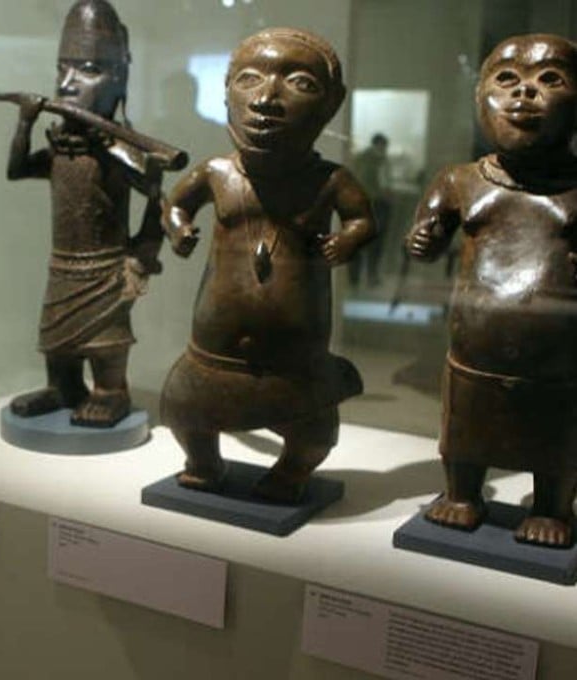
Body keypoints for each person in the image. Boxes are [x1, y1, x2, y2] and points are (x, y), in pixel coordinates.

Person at [160, 28, 375, 502]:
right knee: (185, 409)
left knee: (311, 432)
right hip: (213, 346)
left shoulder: (328, 180)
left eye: (299, 83)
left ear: (330, 104)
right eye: (249, 79)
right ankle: (203, 461)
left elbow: (363, 218)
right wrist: (178, 229)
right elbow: (175, 205)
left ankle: (291, 472)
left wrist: (349, 239)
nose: (266, 99)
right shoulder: (218, 172)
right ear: (227, 90)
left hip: (295, 355)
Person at [406, 33, 577, 547]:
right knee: (465, 434)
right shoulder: (461, 180)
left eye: (551, 80)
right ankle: (462, 493)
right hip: (472, 355)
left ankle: (551, 506)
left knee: (554, 438)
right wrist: (425, 237)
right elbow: (424, 247)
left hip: (558, 360)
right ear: (480, 95)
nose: (524, 94)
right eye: (508, 80)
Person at [0, 0, 168, 428]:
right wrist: (24, 124)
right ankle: (63, 387)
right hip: (63, 264)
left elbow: (158, 197)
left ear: (118, 77)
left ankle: (112, 390)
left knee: (106, 339)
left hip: (106, 266)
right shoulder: (61, 145)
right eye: (63, 69)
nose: (69, 84)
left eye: (88, 68)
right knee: (56, 339)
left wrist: (142, 254)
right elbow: (17, 171)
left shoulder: (118, 151)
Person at [349, 132, 392, 288]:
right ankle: (369, 276)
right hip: (375, 204)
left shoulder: (361, 158)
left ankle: (355, 278)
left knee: (360, 243)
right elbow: (382, 185)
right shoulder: (377, 161)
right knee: (375, 244)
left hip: (362, 204)